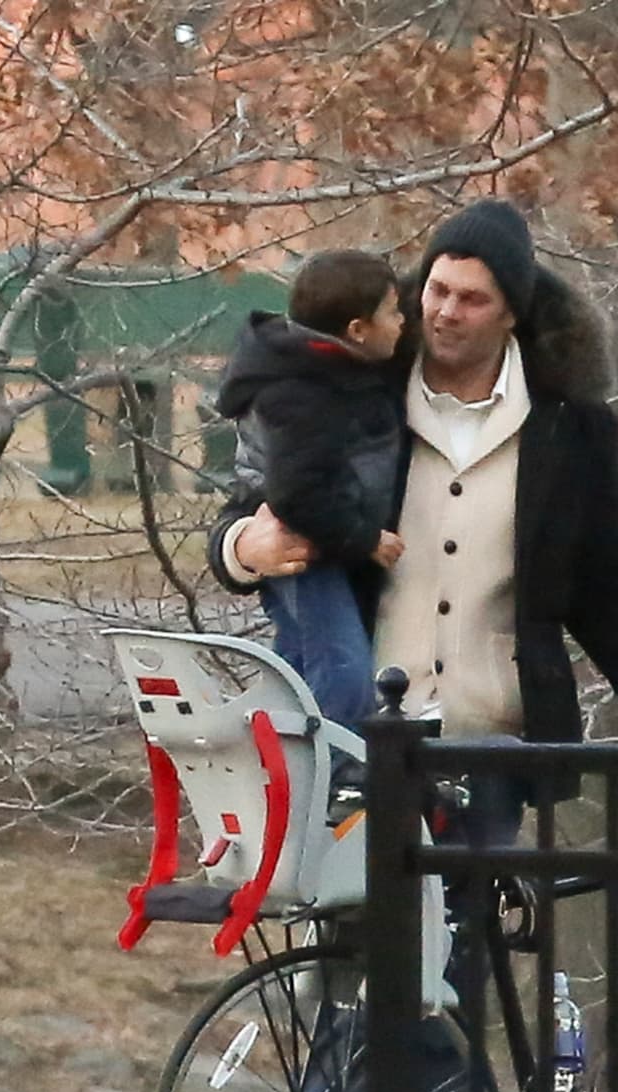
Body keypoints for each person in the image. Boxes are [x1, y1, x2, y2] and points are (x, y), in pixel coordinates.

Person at [208, 198, 618, 1092]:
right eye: (434, 292)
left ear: (511, 313)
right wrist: (241, 549)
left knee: (450, 1010)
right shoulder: (356, 389)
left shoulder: (568, 432)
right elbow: (249, 510)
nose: (443, 314)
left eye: (470, 300)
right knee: (355, 991)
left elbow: (607, 598)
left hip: (492, 750)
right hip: (361, 750)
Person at [215, 249, 407, 792]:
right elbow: (298, 494)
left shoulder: (330, 369)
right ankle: (334, 782)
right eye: (393, 313)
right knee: (342, 672)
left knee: (298, 665)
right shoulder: (304, 390)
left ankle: (276, 777)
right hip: (305, 552)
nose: (404, 324)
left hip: (316, 549)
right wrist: (363, 538)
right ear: (358, 329)